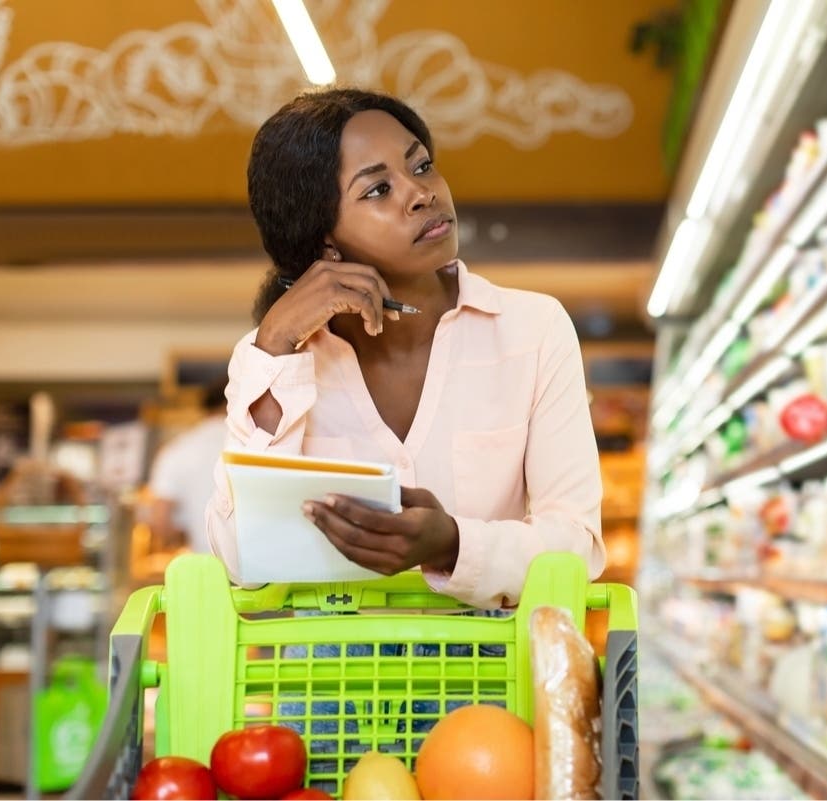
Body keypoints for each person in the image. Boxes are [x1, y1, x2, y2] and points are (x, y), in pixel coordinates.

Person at [205, 87, 605, 608]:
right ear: (324, 239)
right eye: (376, 190)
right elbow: (239, 559)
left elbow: (578, 548)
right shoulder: (271, 361)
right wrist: (276, 343)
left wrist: (454, 543)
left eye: (422, 167)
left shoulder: (535, 330)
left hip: (491, 678)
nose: (421, 194)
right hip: (325, 678)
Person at [148, 379, 228, 554]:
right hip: (264, 569)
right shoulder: (257, 444)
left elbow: (160, 521)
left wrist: (182, 536)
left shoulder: (176, 450)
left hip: (205, 567)